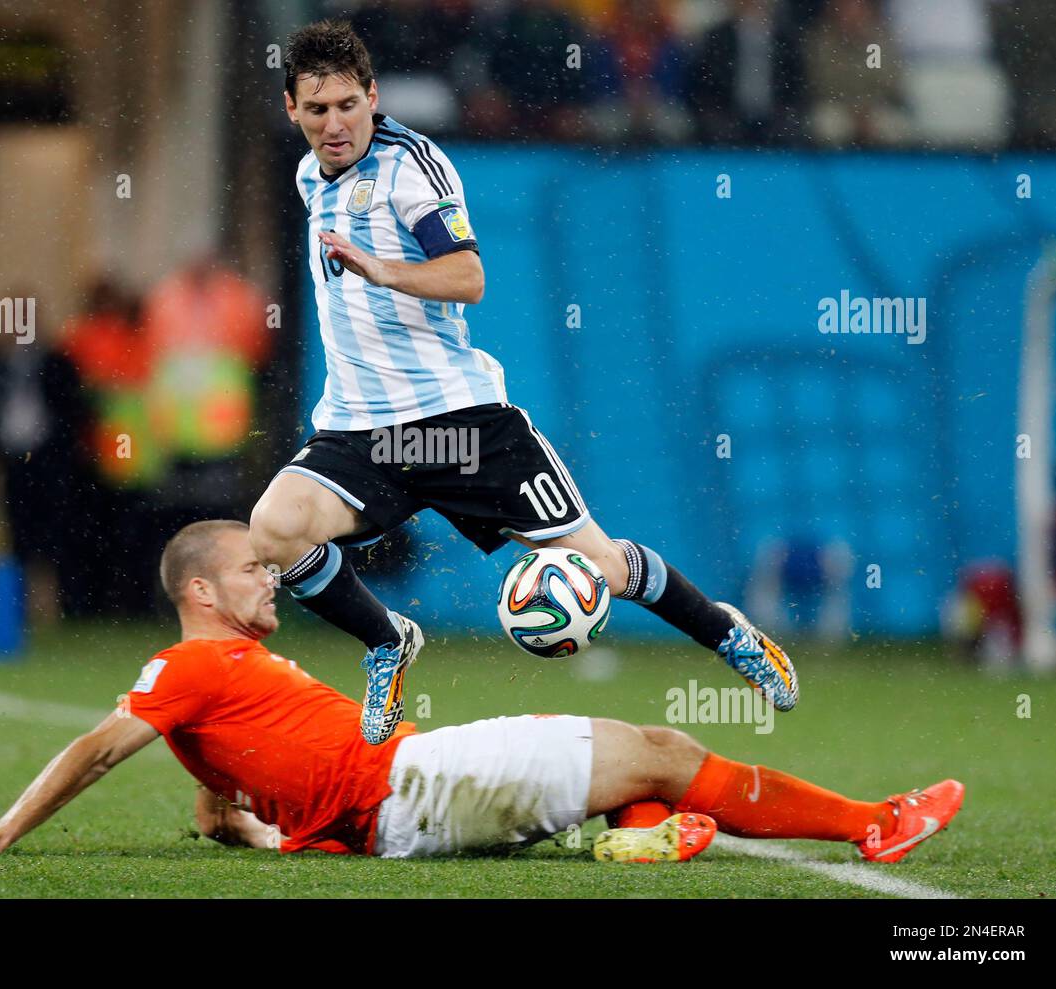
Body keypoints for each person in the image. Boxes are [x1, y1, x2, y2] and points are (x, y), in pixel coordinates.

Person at [249, 20, 798, 747]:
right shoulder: (307, 175)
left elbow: (469, 277)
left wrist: (383, 268)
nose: (335, 124)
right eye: (317, 111)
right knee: (273, 529)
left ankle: (726, 632)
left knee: (600, 564)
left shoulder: (411, 168)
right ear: (292, 109)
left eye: (348, 104)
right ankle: (388, 642)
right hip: (360, 429)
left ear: (373, 96)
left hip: (461, 425)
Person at [0, 520, 963, 864]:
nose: (272, 574)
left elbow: (212, 806)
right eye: (253, 567)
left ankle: (632, 837)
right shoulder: (189, 665)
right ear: (200, 591)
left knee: (629, 777)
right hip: (411, 786)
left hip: (399, 801)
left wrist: (264, 832)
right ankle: (874, 821)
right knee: (661, 744)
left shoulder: (216, 683)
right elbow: (99, 749)